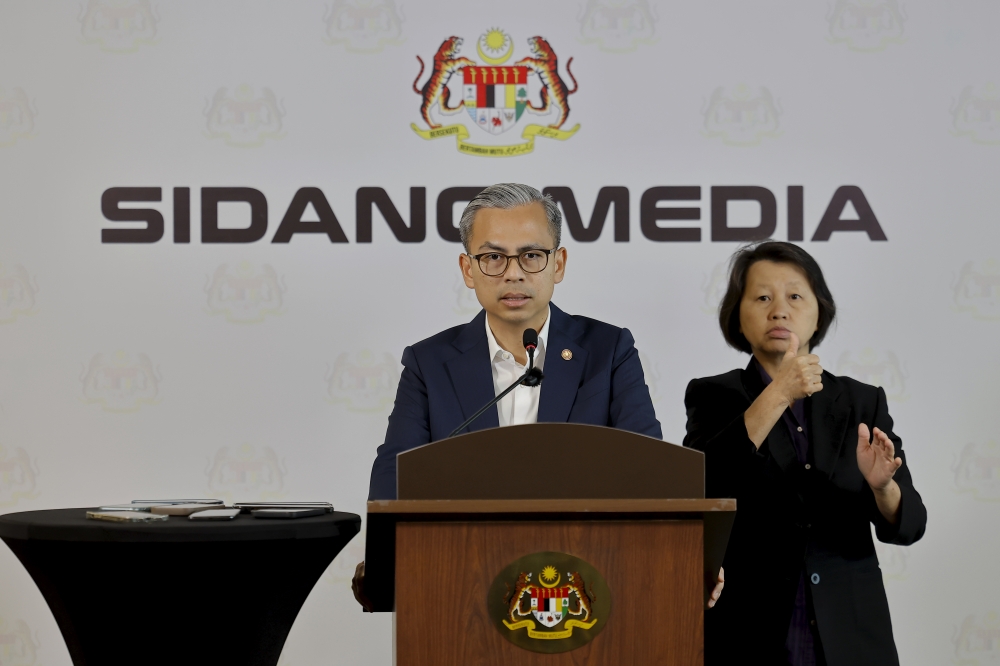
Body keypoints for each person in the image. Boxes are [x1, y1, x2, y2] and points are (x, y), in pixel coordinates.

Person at [353, 183, 666, 610]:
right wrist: (384, 562)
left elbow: (648, 469)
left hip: (587, 586)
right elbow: (395, 476)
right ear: (468, 269)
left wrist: (678, 556)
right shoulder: (429, 362)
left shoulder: (609, 351)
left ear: (559, 263)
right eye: (493, 257)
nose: (513, 273)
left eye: (532, 255)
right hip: (462, 588)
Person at [683, 241, 926, 666]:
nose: (779, 310)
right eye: (762, 297)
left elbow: (909, 526)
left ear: (819, 311)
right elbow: (703, 484)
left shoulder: (860, 401)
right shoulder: (713, 395)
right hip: (751, 630)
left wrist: (883, 486)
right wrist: (779, 392)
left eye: (795, 296)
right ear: (737, 315)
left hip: (850, 629)